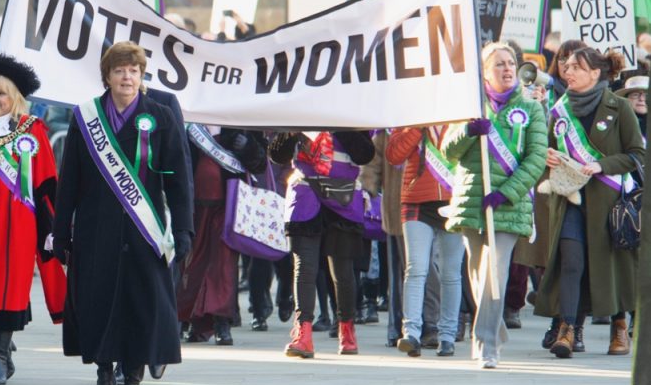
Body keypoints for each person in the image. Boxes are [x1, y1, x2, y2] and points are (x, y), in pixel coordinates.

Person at [53, 41, 192, 385]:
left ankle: (132, 382)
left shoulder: (160, 116)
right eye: (119, 70)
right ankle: (104, 373)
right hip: (96, 230)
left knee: (139, 307)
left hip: (143, 233)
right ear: (107, 76)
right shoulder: (86, 117)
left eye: (133, 70)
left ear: (142, 75)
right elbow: (70, 180)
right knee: (97, 304)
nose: (126, 77)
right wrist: (61, 229)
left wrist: (183, 230)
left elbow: (178, 180)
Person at [0, 50, 67, 385]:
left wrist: (51, 230)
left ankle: (0, 356)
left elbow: (47, 184)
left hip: (17, 227)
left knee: (9, 289)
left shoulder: (32, 131)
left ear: (15, 97)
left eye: (1, 93)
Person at [534, 48, 644, 358]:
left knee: (613, 265)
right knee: (572, 262)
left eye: (576, 68)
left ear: (595, 73)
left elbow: (638, 154)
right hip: (571, 200)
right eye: (566, 67)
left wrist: (602, 165)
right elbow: (549, 153)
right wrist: (550, 158)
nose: (567, 72)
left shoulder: (619, 107)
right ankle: (567, 329)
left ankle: (619, 325)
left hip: (610, 202)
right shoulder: (559, 110)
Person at [442, 42, 547, 369]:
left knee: (496, 272)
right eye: (499, 63)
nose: (507, 68)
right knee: (477, 274)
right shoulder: (470, 105)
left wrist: (508, 192)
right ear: (485, 71)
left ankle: (485, 344)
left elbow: (536, 157)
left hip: (509, 204)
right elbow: (449, 150)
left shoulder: (531, 109)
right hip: (473, 199)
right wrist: (469, 132)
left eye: (510, 62)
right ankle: (493, 325)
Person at [270, 130, 375, 358]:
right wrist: (291, 131)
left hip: (343, 196)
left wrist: (338, 126)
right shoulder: (299, 108)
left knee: (342, 271)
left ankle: (346, 329)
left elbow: (365, 154)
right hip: (306, 192)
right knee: (305, 268)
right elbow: (277, 155)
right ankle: (303, 333)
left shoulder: (351, 112)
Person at [178, 125, 267, 344]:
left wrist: (247, 147)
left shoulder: (238, 120)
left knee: (223, 266)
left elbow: (260, 164)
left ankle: (221, 323)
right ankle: (188, 320)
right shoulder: (188, 119)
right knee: (191, 265)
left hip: (228, 205)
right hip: (192, 206)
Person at [386, 124, 464, 358]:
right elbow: (394, 155)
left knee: (451, 272)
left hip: (454, 199)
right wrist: (417, 127)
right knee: (416, 268)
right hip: (416, 201)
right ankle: (411, 333)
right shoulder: (414, 114)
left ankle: (448, 336)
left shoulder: (461, 114)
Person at [616, 74, 647, 140]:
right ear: (626, 99)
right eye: (635, 95)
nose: (641, 99)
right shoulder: (617, 122)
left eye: (647, 95)